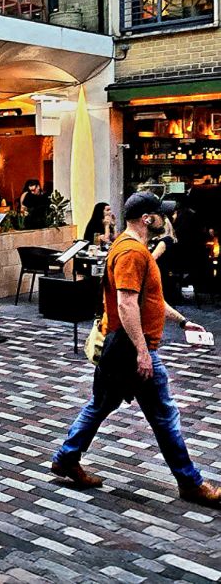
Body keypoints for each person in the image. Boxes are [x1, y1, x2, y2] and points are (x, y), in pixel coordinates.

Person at [50, 191, 220, 504]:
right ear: (146, 218)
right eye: (160, 214)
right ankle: (190, 482)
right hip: (133, 350)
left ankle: (67, 457)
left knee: (100, 404)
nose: (165, 219)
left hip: (123, 350)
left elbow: (151, 299)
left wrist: (182, 322)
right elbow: (126, 304)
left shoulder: (134, 249)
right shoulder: (132, 253)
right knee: (165, 415)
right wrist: (143, 353)